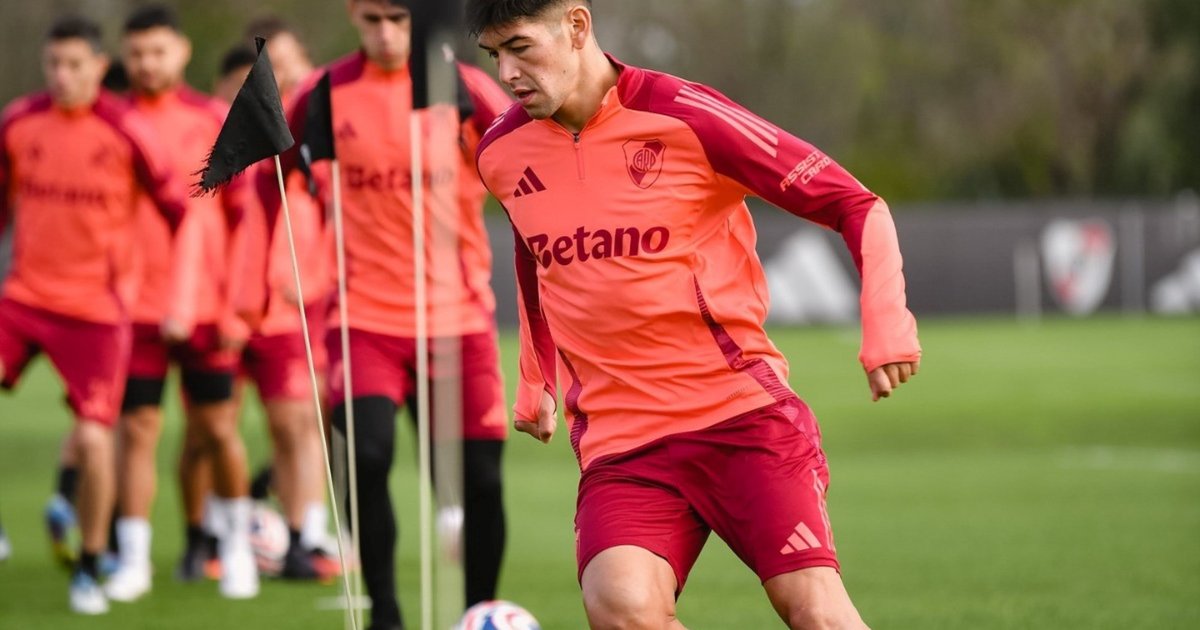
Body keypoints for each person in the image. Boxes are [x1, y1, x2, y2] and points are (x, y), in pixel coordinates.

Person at [468, 1, 922, 628]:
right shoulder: (500, 152)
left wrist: (887, 320)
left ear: (577, 25)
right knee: (620, 607)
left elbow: (855, 203)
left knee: (814, 611)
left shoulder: (686, 115)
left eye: (521, 46)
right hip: (622, 443)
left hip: (741, 418)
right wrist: (535, 376)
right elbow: (532, 258)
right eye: (495, 55)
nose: (509, 73)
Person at [274, 1, 514, 627]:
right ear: (354, 13)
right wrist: (280, 257)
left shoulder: (462, 88)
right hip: (364, 320)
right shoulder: (322, 93)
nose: (386, 33)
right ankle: (384, 610)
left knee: (481, 482)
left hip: (457, 319)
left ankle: (477, 615)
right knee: (368, 456)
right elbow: (275, 171)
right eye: (373, 18)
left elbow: (527, 166)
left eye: (399, 19)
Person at [0, 15, 188, 615]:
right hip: (24, 297)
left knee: (95, 436)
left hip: (96, 312)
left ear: (100, 67)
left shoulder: (126, 129)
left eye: (75, 65)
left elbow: (180, 211)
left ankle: (90, 563)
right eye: (54, 64)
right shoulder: (18, 121)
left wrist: (180, 290)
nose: (62, 76)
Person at [107, 4, 257, 601]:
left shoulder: (215, 119)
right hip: (134, 308)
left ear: (182, 52)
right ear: (124, 56)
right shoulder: (111, 122)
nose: (148, 63)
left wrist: (236, 305)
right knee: (137, 429)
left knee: (219, 430)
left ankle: (239, 549)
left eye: (158, 51)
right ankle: (135, 559)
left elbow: (246, 220)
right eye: (137, 53)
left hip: (204, 304)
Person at [230, 16, 338, 580]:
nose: (281, 78)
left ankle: (306, 533)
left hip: (306, 292)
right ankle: (237, 527)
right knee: (272, 422)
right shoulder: (242, 137)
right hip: (249, 296)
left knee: (304, 418)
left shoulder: (323, 123)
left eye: (289, 64)